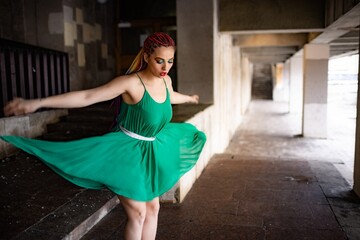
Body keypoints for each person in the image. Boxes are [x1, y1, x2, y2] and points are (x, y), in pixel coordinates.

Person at [1, 32, 206, 240]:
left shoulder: (166, 81)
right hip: (126, 152)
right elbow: (87, 96)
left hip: (151, 150)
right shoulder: (130, 84)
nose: (165, 68)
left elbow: (170, 96)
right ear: (146, 57)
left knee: (153, 208)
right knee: (138, 213)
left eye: (170, 61)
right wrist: (36, 103)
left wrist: (189, 98)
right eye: (159, 61)